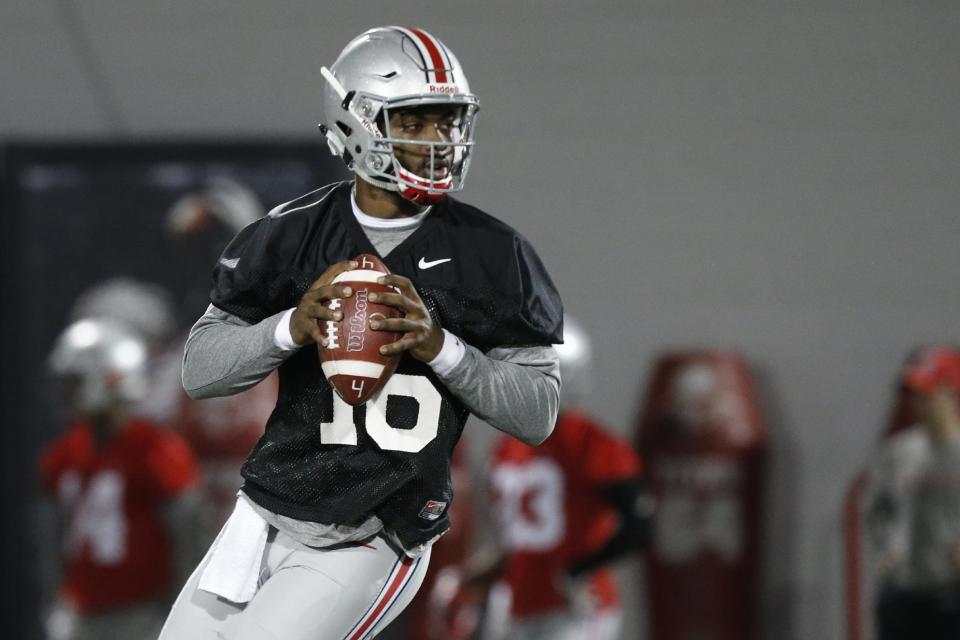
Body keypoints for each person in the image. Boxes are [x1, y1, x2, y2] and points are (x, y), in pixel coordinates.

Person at [159, 26, 563, 640]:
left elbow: (537, 412)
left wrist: (442, 349)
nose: (441, 141)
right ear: (356, 124)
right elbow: (200, 371)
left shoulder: (493, 254)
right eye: (418, 122)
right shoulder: (291, 235)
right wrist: (291, 327)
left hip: (377, 529)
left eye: (449, 122)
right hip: (264, 512)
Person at [473, 315, 653, 640]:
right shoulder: (506, 446)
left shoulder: (589, 443)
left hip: (574, 607)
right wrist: (484, 572)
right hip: (518, 601)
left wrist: (578, 570)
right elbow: (518, 537)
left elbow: (640, 524)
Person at [39, 318, 201, 640]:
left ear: (109, 378)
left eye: (75, 382)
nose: (67, 393)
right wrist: (57, 598)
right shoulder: (65, 451)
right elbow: (54, 536)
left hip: (140, 613)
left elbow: (189, 535)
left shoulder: (155, 450)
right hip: (80, 610)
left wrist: (186, 610)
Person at [868, 346, 960, 640]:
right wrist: (887, 552)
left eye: (929, 394)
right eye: (917, 395)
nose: (921, 403)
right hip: (903, 587)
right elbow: (877, 508)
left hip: (951, 588)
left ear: (951, 394)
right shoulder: (899, 452)